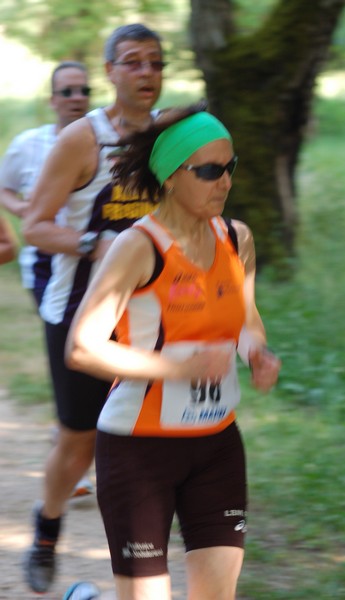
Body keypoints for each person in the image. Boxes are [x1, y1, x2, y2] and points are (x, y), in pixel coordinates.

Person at [64, 105, 281, 600]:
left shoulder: (236, 238)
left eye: (230, 167)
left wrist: (257, 352)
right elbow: (82, 349)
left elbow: (245, 320)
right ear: (170, 175)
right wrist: (174, 367)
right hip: (139, 448)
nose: (224, 181)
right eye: (208, 170)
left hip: (217, 443)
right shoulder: (138, 247)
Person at [22, 23, 166, 594]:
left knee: (145, 436)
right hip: (78, 312)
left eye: (154, 62)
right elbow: (33, 225)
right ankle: (46, 530)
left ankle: (137, 562)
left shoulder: (169, 136)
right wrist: (95, 245)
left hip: (151, 312)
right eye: (132, 62)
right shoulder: (83, 139)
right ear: (110, 71)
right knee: (78, 439)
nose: (146, 73)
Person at [0, 61, 94, 500]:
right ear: (52, 99)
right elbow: (3, 188)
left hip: (91, 262)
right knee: (72, 344)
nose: (77, 97)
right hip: (43, 263)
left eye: (84, 90)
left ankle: (71, 442)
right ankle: (69, 441)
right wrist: (25, 212)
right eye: (68, 91)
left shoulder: (105, 141)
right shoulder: (27, 144)